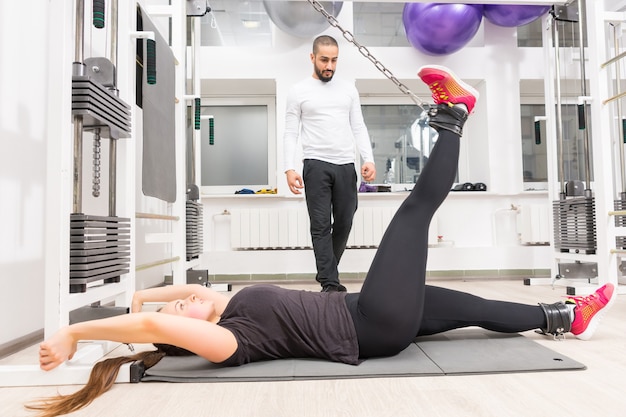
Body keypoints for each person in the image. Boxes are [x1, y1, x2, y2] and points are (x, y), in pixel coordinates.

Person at [28, 66, 615, 417]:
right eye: (182, 311)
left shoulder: (225, 308)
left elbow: (159, 308)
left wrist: (140, 301)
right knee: (412, 213)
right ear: (196, 334)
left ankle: (562, 315)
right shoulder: (229, 340)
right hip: (371, 326)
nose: (179, 300)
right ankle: (455, 116)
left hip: (366, 312)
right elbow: (159, 328)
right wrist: (77, 332)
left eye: (179, 303)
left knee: (466, 307)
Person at [283, 35, 376, 292]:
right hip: (315, 165)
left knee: (345, 221)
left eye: (334, 60)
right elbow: (290, 132)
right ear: (312, 58)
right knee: (321, 225)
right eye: (324, 60)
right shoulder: (298, 91)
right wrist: (289, 168)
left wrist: (367, 158)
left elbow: (358, 126)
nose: (330, 66)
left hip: (346, 165)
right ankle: (329, 283)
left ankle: (327, 271)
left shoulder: (348, 90)